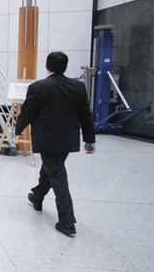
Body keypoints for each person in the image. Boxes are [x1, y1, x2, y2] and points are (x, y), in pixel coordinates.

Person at [15, 51, 96, 237]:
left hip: (47, 139)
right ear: (65, 66)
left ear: (47, 66)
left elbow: (28, 112)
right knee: (52, 168)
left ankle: (67, 221)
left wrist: (18, 129)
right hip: (67, 140)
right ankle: (37, 196)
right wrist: (89, 139)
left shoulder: (39, 87)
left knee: (57, 173)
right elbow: (86, 115)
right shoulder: (78, 87)